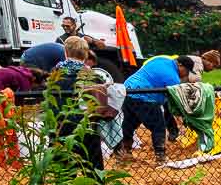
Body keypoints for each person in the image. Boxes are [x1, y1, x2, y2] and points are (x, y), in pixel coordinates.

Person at [49, 35, 115, 168]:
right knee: (93, 167)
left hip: (60, 126)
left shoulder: (54, 73)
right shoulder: (91, 75)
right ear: (85, 55)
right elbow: (100, 103)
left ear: (65, 52)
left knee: (64, 171)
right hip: (85, 127)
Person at [118, 53, 195, 163]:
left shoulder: (161, 59)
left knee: (129, 124)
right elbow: (176, 102)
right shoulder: (173, 78)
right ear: (180, 65)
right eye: (187, 71)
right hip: (145, 97)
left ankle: (125, 152)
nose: (186, 75)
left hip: (128, 90)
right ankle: (160, 156)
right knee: (158, 126)